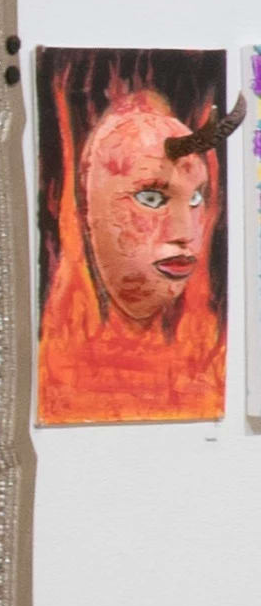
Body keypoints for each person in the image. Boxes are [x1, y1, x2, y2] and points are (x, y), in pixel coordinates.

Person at [38, 59, 239, 420]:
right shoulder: (60, 347)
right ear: (85, 208)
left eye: (196, 199)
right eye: (151, 198)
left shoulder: (204, 351)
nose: (185, 233)